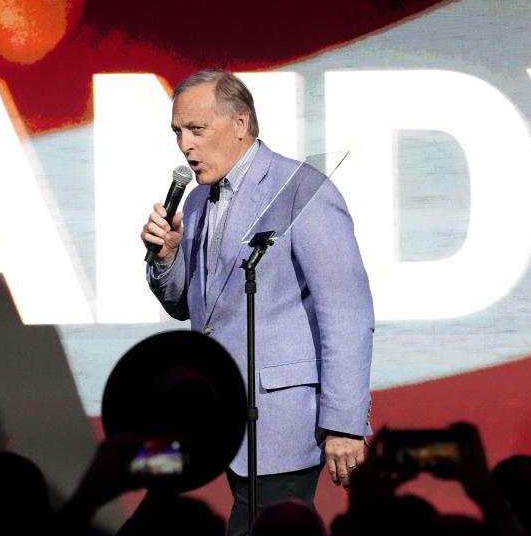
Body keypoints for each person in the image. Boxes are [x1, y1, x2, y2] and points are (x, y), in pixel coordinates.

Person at [141, 70, 375, 535]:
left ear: (241, 123)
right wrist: (166, 258)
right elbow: (186, 305)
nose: (185, 146)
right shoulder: (202, 197)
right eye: (177, 132)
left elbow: (347, 313)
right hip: (224, 418)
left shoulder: (301, 190)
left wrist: (345, 422)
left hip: (283, 420)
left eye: (196, 130)